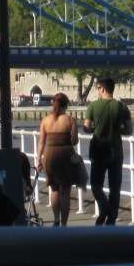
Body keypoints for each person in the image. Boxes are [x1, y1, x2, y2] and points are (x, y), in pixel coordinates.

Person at [83, 77, 132, 226]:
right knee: (115, 188)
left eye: (98, 88)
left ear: (103, 89)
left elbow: (86, 128)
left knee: (96, 185)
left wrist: (96, 129)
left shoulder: (93, 106)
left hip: (99, 149)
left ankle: (104, 207)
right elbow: (129, 130)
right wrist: (117, 130)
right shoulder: (122, 107)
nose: (97, 90)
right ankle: (111, 221)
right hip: (116, 150)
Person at [35, 92, 79, 226]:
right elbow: (75, 141)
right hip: (66, 154)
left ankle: (56, 219)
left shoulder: (45, 120)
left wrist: (38, 159)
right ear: (66, 105)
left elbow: (41, 142)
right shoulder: (70, 120)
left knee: (54, 189)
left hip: (50, 155)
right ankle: (64, 223)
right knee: (65, 192)